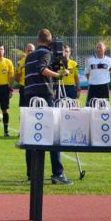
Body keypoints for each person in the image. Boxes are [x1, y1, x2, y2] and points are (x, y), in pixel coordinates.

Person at [24, 28, 73, 185]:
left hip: (30, 96)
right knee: (53, 134)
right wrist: (58, 75)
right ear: (50, 41)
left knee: (32, 134)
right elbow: (42, 69)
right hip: (44, 95)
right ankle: (57, 173)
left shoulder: (29, 55)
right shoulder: (46, 54)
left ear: (38, 40)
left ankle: (32, 173)